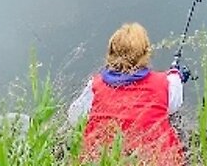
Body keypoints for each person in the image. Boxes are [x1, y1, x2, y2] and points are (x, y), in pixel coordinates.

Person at [68, 22, 187, 165]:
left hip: (103, 160)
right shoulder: (165, 82)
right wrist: (177, 76)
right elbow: (173, 106)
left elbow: (74, 118)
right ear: (145, 53)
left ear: (111, 53)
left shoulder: (95, 85)